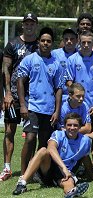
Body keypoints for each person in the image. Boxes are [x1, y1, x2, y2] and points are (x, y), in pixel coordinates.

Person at [12, 113, 93, 197]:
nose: (72, 128)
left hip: (65, 174)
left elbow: (85, 158)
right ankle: (22, 183)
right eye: (69, 125)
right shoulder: (58, 134)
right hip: (49, 168)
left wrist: (92, 176)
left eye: (75, 125)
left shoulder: (85, 141)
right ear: (64, 126)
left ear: (80, 127)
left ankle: (71, 193)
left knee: (69, 182)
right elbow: (51, 148)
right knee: (43, 150)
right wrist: (63, 168)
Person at [17, 27, 63, 176]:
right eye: (43, 40)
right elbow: (20, 81)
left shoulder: (56, 63)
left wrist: (57, 111)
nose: (45, 43)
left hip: (49, 109)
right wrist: (23, 105)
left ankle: (36, 172)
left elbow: (59, 88)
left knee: (43, 143)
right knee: (30, 139)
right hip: (33, 107)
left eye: (48, 41)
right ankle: (24, 174)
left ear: (52, 43)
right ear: (38, 42)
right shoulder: (30, 59)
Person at [0, 13, 39, 181]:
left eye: (32, 23)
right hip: (14, 97)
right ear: (23, 25)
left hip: (34, 97)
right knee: (9, 130)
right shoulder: (13, 44)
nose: (29, 26)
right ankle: (7, 167)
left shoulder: (41, 44)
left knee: (31, 135)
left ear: (36, 25)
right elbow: (6, 69)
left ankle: (30, 167)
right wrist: (7, 93)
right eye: (26, 23)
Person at [65, 30, 93, 143]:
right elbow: (69, 82)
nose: (86, 45)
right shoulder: (72, 59)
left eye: (89, 42)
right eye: (83, 42)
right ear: (79, 42)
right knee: (76, 136)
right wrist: (76, 97)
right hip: (78, 105)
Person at [52, 28, 78, 103]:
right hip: (57, 94)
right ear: (63, 40)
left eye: (72, 39)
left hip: (75, 96)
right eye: (66, 39)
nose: (69, 41)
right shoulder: (54, 54)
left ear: (77, 40)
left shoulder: (81, 55)